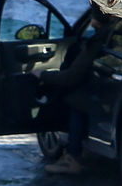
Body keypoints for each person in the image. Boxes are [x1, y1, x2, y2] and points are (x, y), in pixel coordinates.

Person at [41, 14, 114, 175]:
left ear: (98, 18)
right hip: (111, 88)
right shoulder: (116, 32)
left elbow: (73, 76)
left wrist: (43, 75)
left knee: (75, 100)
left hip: (105, 91)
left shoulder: (97, 40)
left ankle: (72, 156)